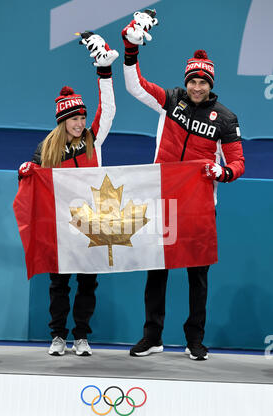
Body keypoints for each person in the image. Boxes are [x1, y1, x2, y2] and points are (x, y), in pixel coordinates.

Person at [122, 10, 245, 360]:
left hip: (199, 207)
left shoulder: (225, 118)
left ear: (211, 85)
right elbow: (135, 85)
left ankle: (195, 340)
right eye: (192, 80)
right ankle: (153, 336)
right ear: (186, 81)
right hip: (162, 200)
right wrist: (131, 51)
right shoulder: (171, 100)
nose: (196, 86)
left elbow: (237, 163)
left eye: (202, 82)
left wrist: (222, 173)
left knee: (197, 276)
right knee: (156, 270)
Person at [18, 33, 118, 357]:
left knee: (88, 284)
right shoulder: (46, 148)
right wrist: (24, 171)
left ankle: (82, 337)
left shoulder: (93, 139)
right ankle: (58, 336)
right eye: (74, 119)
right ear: (63, 121)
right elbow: (31, 176)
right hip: (60, 226)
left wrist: (105, 72)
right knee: (59, 284)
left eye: (82, 117)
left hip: (92, 223)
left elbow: (110, 108)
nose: (80, 123)